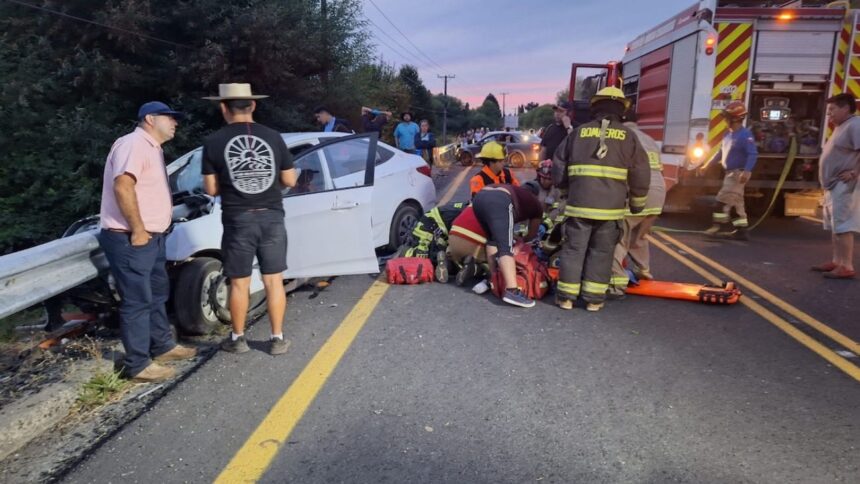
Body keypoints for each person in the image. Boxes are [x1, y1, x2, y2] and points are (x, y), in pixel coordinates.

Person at [97, 101, 197, 382]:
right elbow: (123, 186)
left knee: (156, 293)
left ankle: (162, 346)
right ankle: (138, 364)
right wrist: (138, 230)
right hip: (131, 238)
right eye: (170, 118)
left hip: (152, 237)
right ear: (150, 119)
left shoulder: (151, 147)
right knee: (137, 300)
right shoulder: (134, 144)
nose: (175, 123)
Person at [201, 83, 298, 355]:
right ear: (253, 105)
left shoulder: (213, 142)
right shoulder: (274, 137)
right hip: (272, 217)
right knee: (274, 280)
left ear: (223, 107)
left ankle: (238, 338)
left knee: (239, 282)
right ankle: (277, 339)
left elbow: (210, 189)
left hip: (237, 219)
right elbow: (290, 179)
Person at [552, 87, 650, 312]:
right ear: (621, 110)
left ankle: (566, 298)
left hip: (578, 207)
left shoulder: (578, 133)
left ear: (595, 107)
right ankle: (594, 300)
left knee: (574, 250)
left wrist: (565, 190)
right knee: (602, 253)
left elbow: (559, 164)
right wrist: (637, 204)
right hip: (610, 211)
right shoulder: (629, 137)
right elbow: (641, 172)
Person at [608, 111, 667, 297]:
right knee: (639, 236)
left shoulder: (622, 137)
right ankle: (644, 271)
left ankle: (617, 284)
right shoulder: (649, 139)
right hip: (659, 194)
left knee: (617, 238)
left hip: (638, 192)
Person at [471, 183, 544, 307]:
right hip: (499, 201)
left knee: (492, 240)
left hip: (479, 199)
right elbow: (532, 235)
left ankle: (494, 279)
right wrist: (521, 242)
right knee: (506, 248)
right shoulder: (536, 204)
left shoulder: (515, 191)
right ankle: (512, 291)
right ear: (535, 195)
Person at [812, 93, 860, 279]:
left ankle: (846, 266)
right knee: (836, 225)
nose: (829, 114)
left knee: (843, 225)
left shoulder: (855, 125)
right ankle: (837, 261)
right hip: (833, 184)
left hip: (844, 185)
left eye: (832, 109)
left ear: (845, 108)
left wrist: (854, 172)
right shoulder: (842, 126)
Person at [705, 100, 758, 240]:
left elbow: (752, 154)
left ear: (734, 119)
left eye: (726, 117)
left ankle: (717, 228)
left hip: (737, 174)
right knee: (736, 203)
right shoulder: (728, 134)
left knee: (722, 200)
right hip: (730, 173)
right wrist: (707, 165)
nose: (725, 120)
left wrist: (747, 171)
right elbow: (720, 152)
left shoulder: (745, 135)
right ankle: (742, 231)